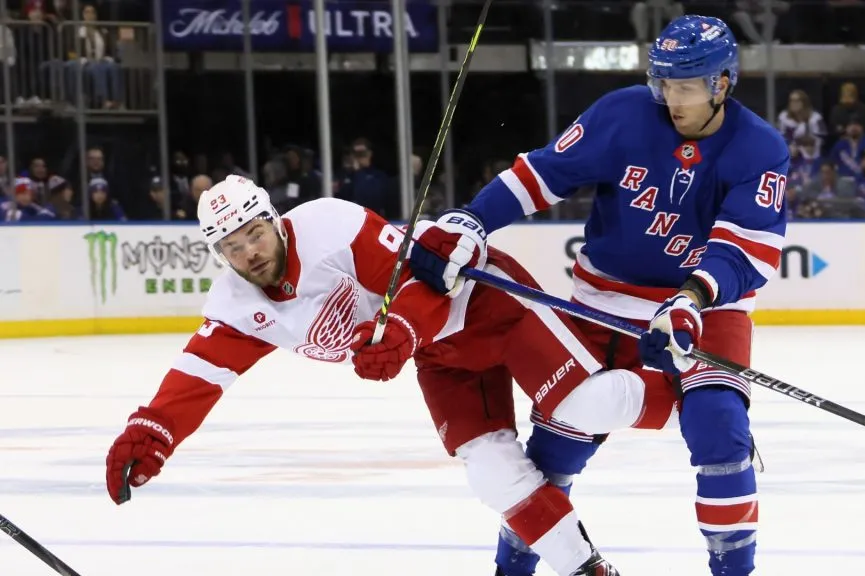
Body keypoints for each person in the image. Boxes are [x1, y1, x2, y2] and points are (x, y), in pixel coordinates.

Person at [103, 175, 680, 576]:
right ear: (220, 256)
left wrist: (400, 330)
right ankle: (586, 568)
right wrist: (152, 432)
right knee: (492, 472)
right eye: (232, 247)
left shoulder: (330, 224)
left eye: (254, 233)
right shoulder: (236, 304)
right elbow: (198, 374)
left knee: (585, 403)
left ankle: (697, 403)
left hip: (487, 306)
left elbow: (425, 276)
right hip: (442, 357)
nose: (249, 252)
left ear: (273, 221)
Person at [409, 15, 788, 576]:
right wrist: (472, 219)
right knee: (554, 451)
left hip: (705, 309)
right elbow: (543, 174)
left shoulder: (760, 149)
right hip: (602, 305)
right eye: (662, 84)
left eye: (684, 87)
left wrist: (689, 300)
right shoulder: (626, 113)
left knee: (720, 431)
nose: (670, 99)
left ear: (722, 84)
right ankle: (511, 570)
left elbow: (743, 249)